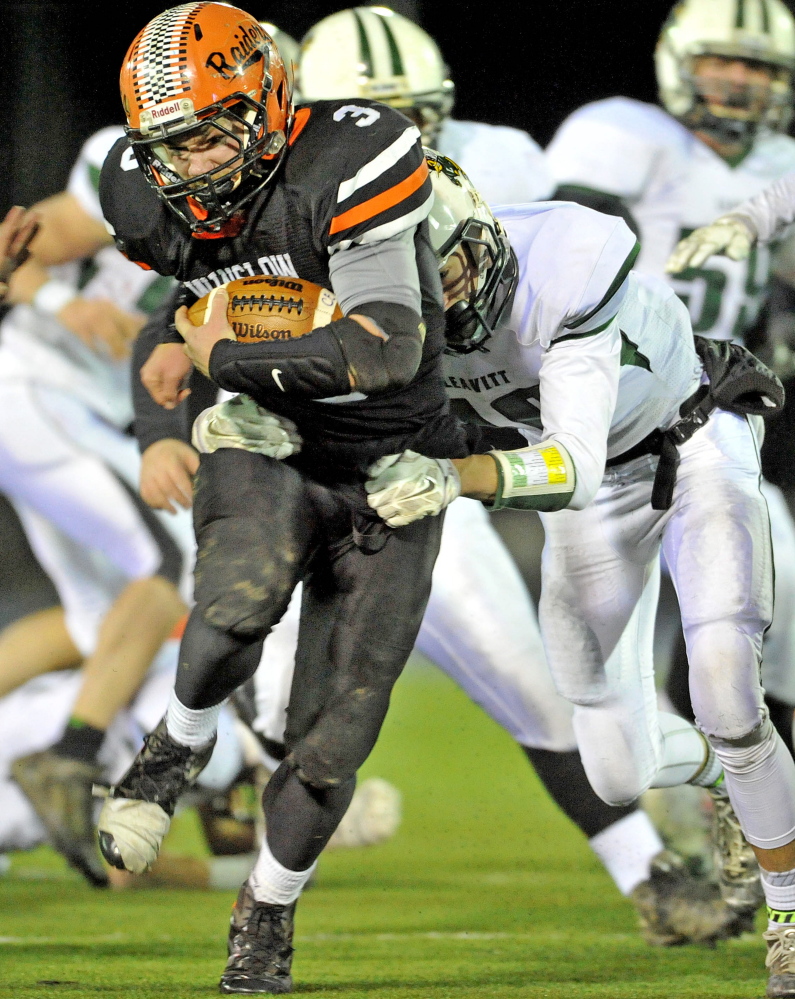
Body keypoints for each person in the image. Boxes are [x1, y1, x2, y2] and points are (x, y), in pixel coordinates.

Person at [131, 4, 744, 949]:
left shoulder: (501, 179)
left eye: (417, 114)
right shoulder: (263, 186)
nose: (397, 138)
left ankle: (651, 873)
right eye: (376, 112)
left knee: (535, 682)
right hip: (329, 459)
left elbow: (575, 291)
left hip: (459, 450)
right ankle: (210, 798)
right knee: (267, 664)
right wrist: (174, 420)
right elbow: (181, 317)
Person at [92, 4, 480, 993]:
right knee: (236, 601)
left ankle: (266, 909)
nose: (193, 165)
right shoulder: (146, 198)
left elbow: (387, 349)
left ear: (265, 101)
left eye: (211, 132)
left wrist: (228, 353)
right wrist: (158, 434)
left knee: (335, 734)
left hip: (394, 463)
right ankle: (175, 748)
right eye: (168, 147)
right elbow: (161, 335)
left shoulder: (348, 162)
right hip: (267, 440)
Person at [359, 152, 795, 999]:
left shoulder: (563, 262)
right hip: (590, 502)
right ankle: (730, 780)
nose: (442, 300)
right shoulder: (385, 322)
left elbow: (571, 464)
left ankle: (789, 912)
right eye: (416, 289)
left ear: (481, 239)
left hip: (690, 445)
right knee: (614, 769)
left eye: (447, 269)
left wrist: (454, 477)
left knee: (723, 684)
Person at [545, 0, 795, 869]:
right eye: (725, 60)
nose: (740, 79)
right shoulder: (621, 136)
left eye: (759, 67)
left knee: (769, 608)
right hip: (611, 423)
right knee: (612, 741)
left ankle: (767, 830)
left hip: (710, 419)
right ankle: (723, 788)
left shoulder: (779, 170)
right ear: (678, 60)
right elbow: (569, 249)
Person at [0, 125, 193, 887]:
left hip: (86, 416)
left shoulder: (264, 223)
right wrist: (58, 300)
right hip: (37, 390)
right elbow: (14, 251)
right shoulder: (136, 172)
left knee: (99, 617)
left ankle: (75, 769)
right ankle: (70, 758)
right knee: (168, 562)